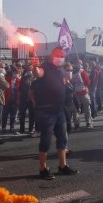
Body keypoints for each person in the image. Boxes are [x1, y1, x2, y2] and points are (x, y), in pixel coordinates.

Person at [32, 47, 78, 180]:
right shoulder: (45, 67)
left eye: (63, 55)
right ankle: (43, 168)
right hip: (47, 110)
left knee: (63, 138)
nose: (61, 57)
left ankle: (63, 165)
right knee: (46, 140)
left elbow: (64, 83)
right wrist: (35, 66)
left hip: (59, 109)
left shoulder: (61, 70)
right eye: (58, 55)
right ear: (53, 55)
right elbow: (38, 73)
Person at [71, 60, 93, 129]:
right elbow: (88, 82)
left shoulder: (70, 71)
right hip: (82, 92)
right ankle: (88, 122)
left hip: (75, 93)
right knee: (86, 108)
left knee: (75, 109)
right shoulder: (82, 71)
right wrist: (86, 87)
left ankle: (76, 123)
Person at [2, 64, 21, 134]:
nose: (17, 74)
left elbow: (19, 91)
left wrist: (18, 99)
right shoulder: (6, 79)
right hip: (6, 100)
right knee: (5, 114)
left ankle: (12, 128)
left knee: (13, 115)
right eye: (16, 72)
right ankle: (3, 128)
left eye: (18, 72)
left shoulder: (19, 81)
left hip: (15, 100)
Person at [63, 62, 80, 132]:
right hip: (64, 107)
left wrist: (77, 104)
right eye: (68, 70)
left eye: (71, 70)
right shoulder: (61, 82)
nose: (70, 72)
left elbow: (73, 93)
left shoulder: (70, 82)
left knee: (69, 128)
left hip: (71, 104)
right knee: (67, 127)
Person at [19, 63, 35, 134]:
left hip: (32, 99)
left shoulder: (35, 78)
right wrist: (18, 98)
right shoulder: (23, 78)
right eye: (29, 68)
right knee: (22, 114)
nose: (30, 69)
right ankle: (22, 128)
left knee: (32, 114)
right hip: (24, 98)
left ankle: (30, 129)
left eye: (31, 68)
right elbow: (19, 89)